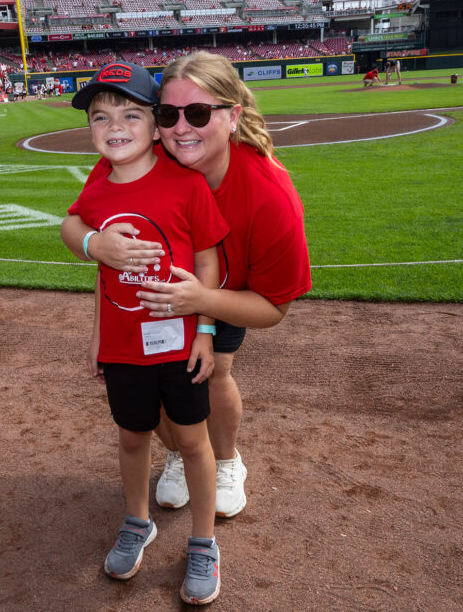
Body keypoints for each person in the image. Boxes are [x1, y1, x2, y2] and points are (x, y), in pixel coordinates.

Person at [61, 51, 311, 522]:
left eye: (198, 113)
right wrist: (95, 243)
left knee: (212, 371)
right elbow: (82, 226)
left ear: (233, 116)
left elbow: (275, 306)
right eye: (170, 114)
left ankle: (227, 462)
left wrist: (204, 308)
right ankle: (179, 453)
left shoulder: (270, 196)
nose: (181, 128)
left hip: (234, 291)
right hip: (152, 299)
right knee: (146, 387)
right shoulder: (135, 156)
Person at [67, 61, 229, 606]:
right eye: (100, 116)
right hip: (122, 346)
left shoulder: (183, 184)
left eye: (131, 114)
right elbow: (79, 237)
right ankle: (138, 522)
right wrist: (95, 250)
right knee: (133, 435)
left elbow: (208, 263)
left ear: (157, 124)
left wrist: (206, 330)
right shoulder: (96, 182)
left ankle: (203, 542)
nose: (114, 126)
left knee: (192, 440)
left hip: (180, 342)